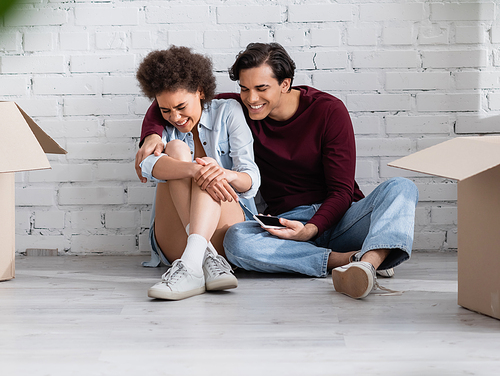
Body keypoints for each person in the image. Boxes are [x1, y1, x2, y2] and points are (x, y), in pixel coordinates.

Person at [136, 43, 418, 300]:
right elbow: (178, 100)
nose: (251, 98)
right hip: (282, 222)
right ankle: (349, 260)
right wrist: (151, 133)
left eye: (261, 88)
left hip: (342, 217)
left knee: (402, 188)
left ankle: (367, 266)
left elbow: (342, 191)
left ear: (285, 84)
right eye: (244, 89)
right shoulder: (242, 109)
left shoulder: (328, 110)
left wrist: (310, 229)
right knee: (237, 241)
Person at [135, 46, 260, 301]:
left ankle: (191, 264)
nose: (176, 118)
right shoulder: (162, 131)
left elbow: (250, 179)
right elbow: (147, 167)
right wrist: (193, 169)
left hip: (228, 228)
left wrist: (223, 174)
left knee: (209, 165)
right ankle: (200, 258)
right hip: (174, 238)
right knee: (178, 149)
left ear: (200, 92)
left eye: (181, 107)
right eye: (165, 111)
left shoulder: (228, 112)